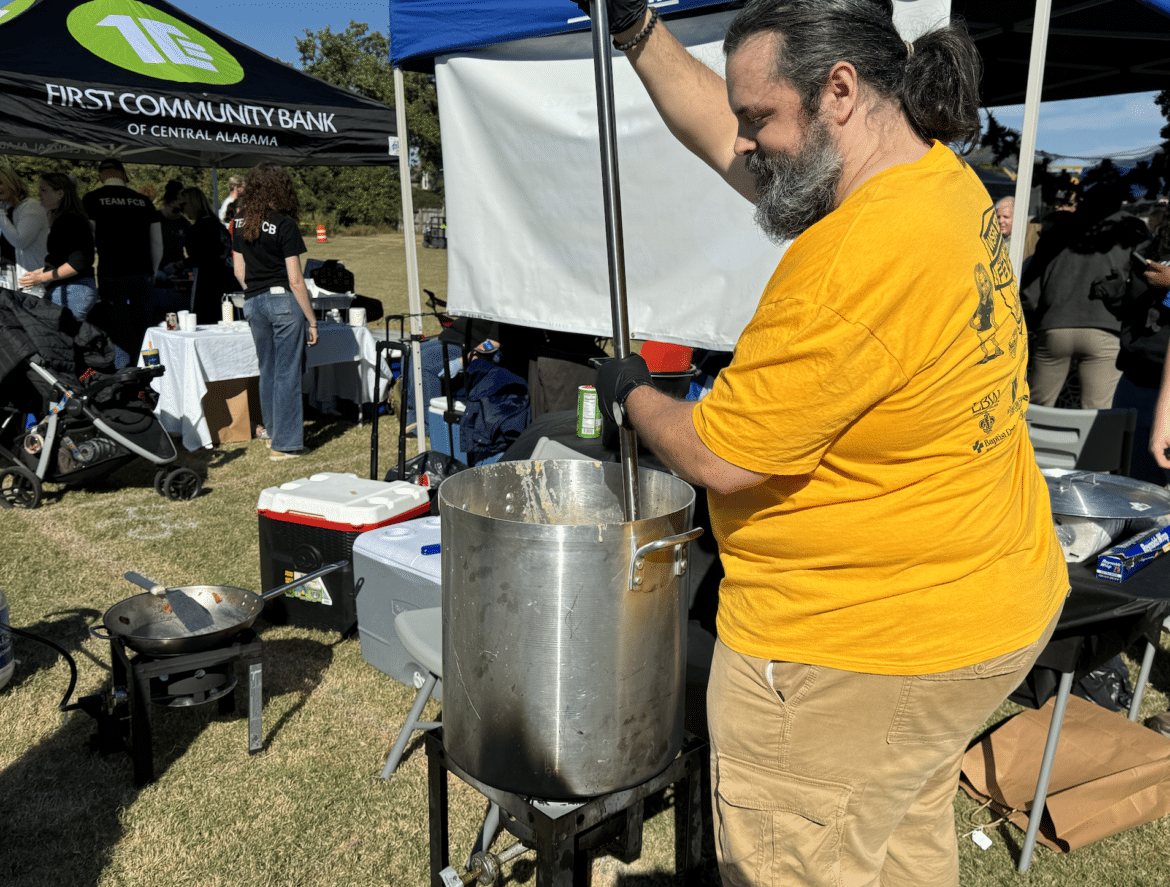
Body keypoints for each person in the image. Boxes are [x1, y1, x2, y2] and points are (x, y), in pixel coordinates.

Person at [587, 2, 1068, 885]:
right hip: (981, 609)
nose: (745, 141)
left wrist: (633, 393)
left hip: (850, 651)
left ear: (838, 91)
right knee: (899, 836)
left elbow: (719, 455)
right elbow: (727, 138)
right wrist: (638, 32)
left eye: (759, 117)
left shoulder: (851, 264)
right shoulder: (937, 179)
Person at [1022, 183, 1149, 409]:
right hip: (1107, 328)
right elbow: (1145, 276)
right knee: (1098, 413)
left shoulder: (1058, 230)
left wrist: (1036, 323)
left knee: (1035, 409)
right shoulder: (1132, 228)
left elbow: (1030, 294)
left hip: (1054, 327)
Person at [231, 162, 318, 460]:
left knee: (267, 369)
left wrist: (255, 292)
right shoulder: (284, 224)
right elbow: (296, 280)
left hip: (253, 301)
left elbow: (239, 270)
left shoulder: (240, 222)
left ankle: (271, 430)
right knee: (287, 372)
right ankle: (286, 444)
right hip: (282, 300)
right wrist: (312, 320)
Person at [83, 158, 162, 368]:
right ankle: (150, 369)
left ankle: (124, 374)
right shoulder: (143, 201)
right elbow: (157, 242)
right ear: (123, 174)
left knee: (118, 329)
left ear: (101, 176)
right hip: (142, 273)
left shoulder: (92, 199)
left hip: (111, 272)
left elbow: (87, 239)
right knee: (145, 327)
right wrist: (153, 271)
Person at [18, 173, 97, 321]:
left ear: (60, 193)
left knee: (63, 333)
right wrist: (42, 271)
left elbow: (77, 264)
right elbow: (62, 259)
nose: (38, 194)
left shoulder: (70, 220)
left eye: (43, 190)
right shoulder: (65, 219)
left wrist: (41, 277)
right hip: (69, 289)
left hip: (72, 290)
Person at [179, 186, 236, 324]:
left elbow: (201, 258)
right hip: (228, 282)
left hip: (207, 286)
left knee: (206, 323)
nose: (182, 210)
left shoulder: (198, 229)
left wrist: (180, 264)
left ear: (192, 204)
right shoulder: (218, 226)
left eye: (183, 205)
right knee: (226, 322)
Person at [0, 167, 50, 297]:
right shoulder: (6, 210)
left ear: (12, 182)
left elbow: (20, 241)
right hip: (8, 280)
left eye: (0, 183)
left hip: (31, 284)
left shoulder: (30, 206)